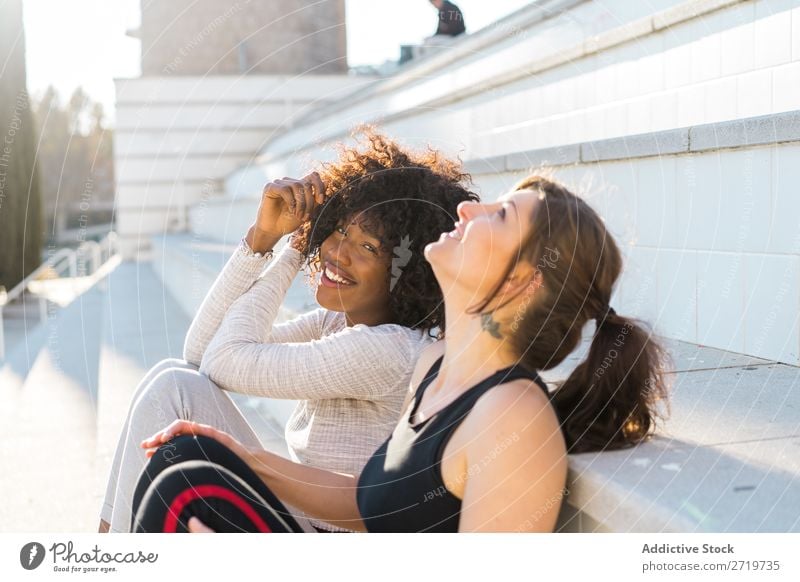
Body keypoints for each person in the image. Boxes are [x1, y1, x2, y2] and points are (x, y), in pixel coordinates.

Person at [131, 174, 670, 533]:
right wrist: (244, 457)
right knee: (186, 461)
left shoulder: (513, 416)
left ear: (522, 283)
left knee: (185, 485)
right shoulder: (437, 368)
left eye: (499, 216)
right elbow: (368, 506)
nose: (467, 207)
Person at [98, 131, 478, 533]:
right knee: (173, 379)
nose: (336, 251)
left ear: (407, 275)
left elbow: (223, 361)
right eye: (337, 230)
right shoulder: (338, 323)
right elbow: (200, 351)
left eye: (367, 247)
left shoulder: (387, 349)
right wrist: (261, 238)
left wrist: (295, 248)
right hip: (302, 523)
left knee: (173, 387)